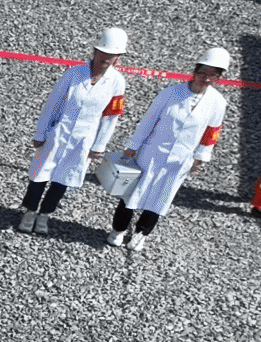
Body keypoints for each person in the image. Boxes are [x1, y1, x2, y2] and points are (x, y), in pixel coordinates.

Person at [110, 48, 230, 251]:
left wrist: (200, 159)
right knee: (131, 193)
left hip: (180, 160)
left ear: (218, 78)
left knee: (160, 198)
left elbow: (211, 134)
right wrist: (133, 145)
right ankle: (118, 230)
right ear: (194, 71)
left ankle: (141, 233)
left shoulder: (218, 103)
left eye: (213, 75)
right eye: (203, 73)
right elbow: (148, 121)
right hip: (151, 153)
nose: (206, 78)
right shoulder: (171, 93)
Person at [18, 29, 128, 235]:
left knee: (63, 179)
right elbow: (53, 103)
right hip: (58, 131)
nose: (105, 58)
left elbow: (111, 117)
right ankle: (30, 211)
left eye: (111, 54)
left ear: (118, 57)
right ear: (94, 51)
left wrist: (99, 145)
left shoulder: (117, 82)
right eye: (102, 52)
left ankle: (45, 214)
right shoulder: (74, 73)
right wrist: (40, 133)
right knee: (39, 175)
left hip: (84, 138)